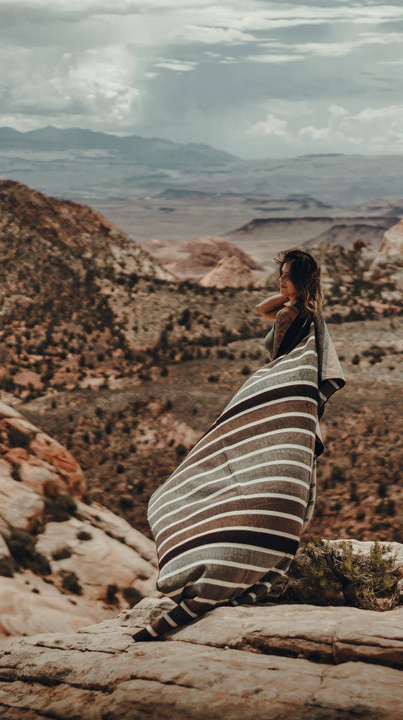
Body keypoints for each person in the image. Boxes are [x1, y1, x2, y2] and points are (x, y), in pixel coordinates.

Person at [133, 248, 344, 641]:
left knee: (226, 473)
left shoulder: (290, 316)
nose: (279, 282)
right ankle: (244, 570)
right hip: (296, 391)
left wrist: (289, 306)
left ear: (301, 279)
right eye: (279, 275)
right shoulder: (311, 315)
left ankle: (211, 565)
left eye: (286, 276)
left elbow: (278, 353)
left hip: (279, 389)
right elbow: (263, 308)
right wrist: (294, 293)